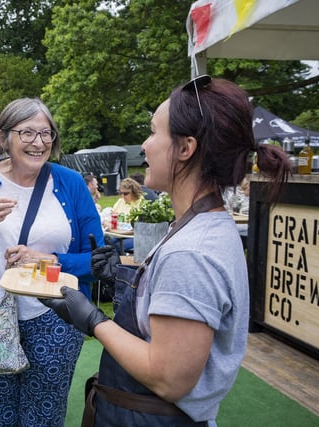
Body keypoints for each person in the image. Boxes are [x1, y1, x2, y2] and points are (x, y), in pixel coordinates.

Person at [41, 76, 290, 426]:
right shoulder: (196, 224)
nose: (144, 145)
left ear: (186, 148)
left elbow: (168, 377)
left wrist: (93, 320)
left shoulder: (192, 252)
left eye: (154, 132)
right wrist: (121, 280)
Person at [0, 97, 104, 427]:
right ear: (5, 137)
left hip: (54, 319)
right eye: (27, 132)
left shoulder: (70, 183)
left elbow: (100, 259)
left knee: (43, 418)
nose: (38, 142)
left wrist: (52, 260)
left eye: (46, 133)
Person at [107, 177, 143, 253]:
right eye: (121, 193)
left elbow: (137, 229)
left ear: (134, 192)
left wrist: (117, 232)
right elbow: (112, 218)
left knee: (117, 247)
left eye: (126, 193)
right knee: (107, 243)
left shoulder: (141, 203)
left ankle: (118, 264)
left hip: (134, 236)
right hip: (119, 233)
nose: (123, 196)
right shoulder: (120, 201)